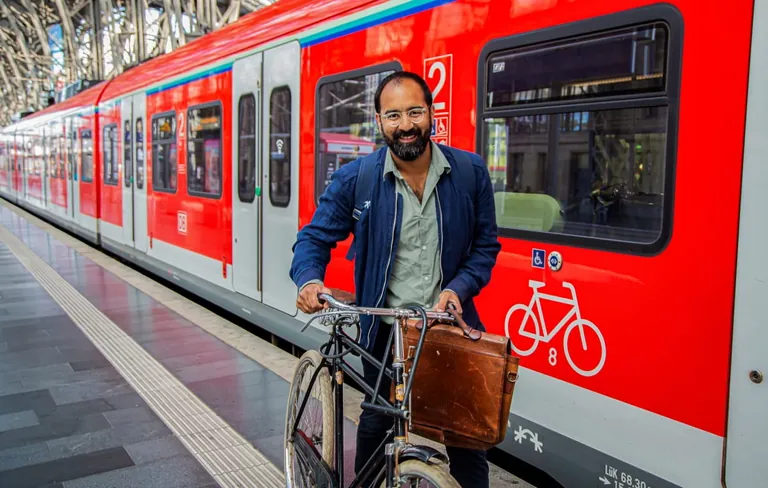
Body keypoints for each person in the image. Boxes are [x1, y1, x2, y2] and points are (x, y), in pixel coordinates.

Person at [289, 71, 501, 488]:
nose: (405, 125)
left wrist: (456, 290)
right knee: (376, 424)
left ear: (432, 114)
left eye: (414, 112)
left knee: (467, 443)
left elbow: (485, 248)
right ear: (379, 121)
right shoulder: (358, 178)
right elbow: (313, 238)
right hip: (386, 332)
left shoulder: (470, 173)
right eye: (393, 115)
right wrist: (309, 281)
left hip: (448, 327)